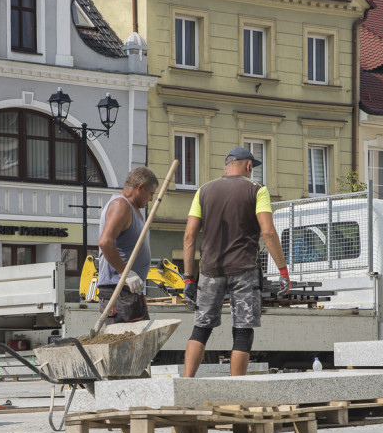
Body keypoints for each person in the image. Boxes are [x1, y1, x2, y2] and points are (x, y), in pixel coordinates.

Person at [181, 147, 290, 377]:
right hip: (244, 270)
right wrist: (282, 270)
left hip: (210, 270)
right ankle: (236, 388)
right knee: (242, 330)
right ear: (249, 166)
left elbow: (189, 236)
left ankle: (186, 382)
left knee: (201, 328)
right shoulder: (258, 190)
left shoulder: (203, 190)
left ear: (225, 167)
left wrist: (189, 277)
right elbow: (268, 232)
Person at [96, 167, 159, 324]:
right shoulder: (121, 206)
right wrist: (125, 273)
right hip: (119, 292)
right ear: (140, 187)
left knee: (141, 345)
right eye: (151, 193)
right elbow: (105, 241)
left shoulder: (133, 209)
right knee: (126, 346)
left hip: (129, 292)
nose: (151, 199)